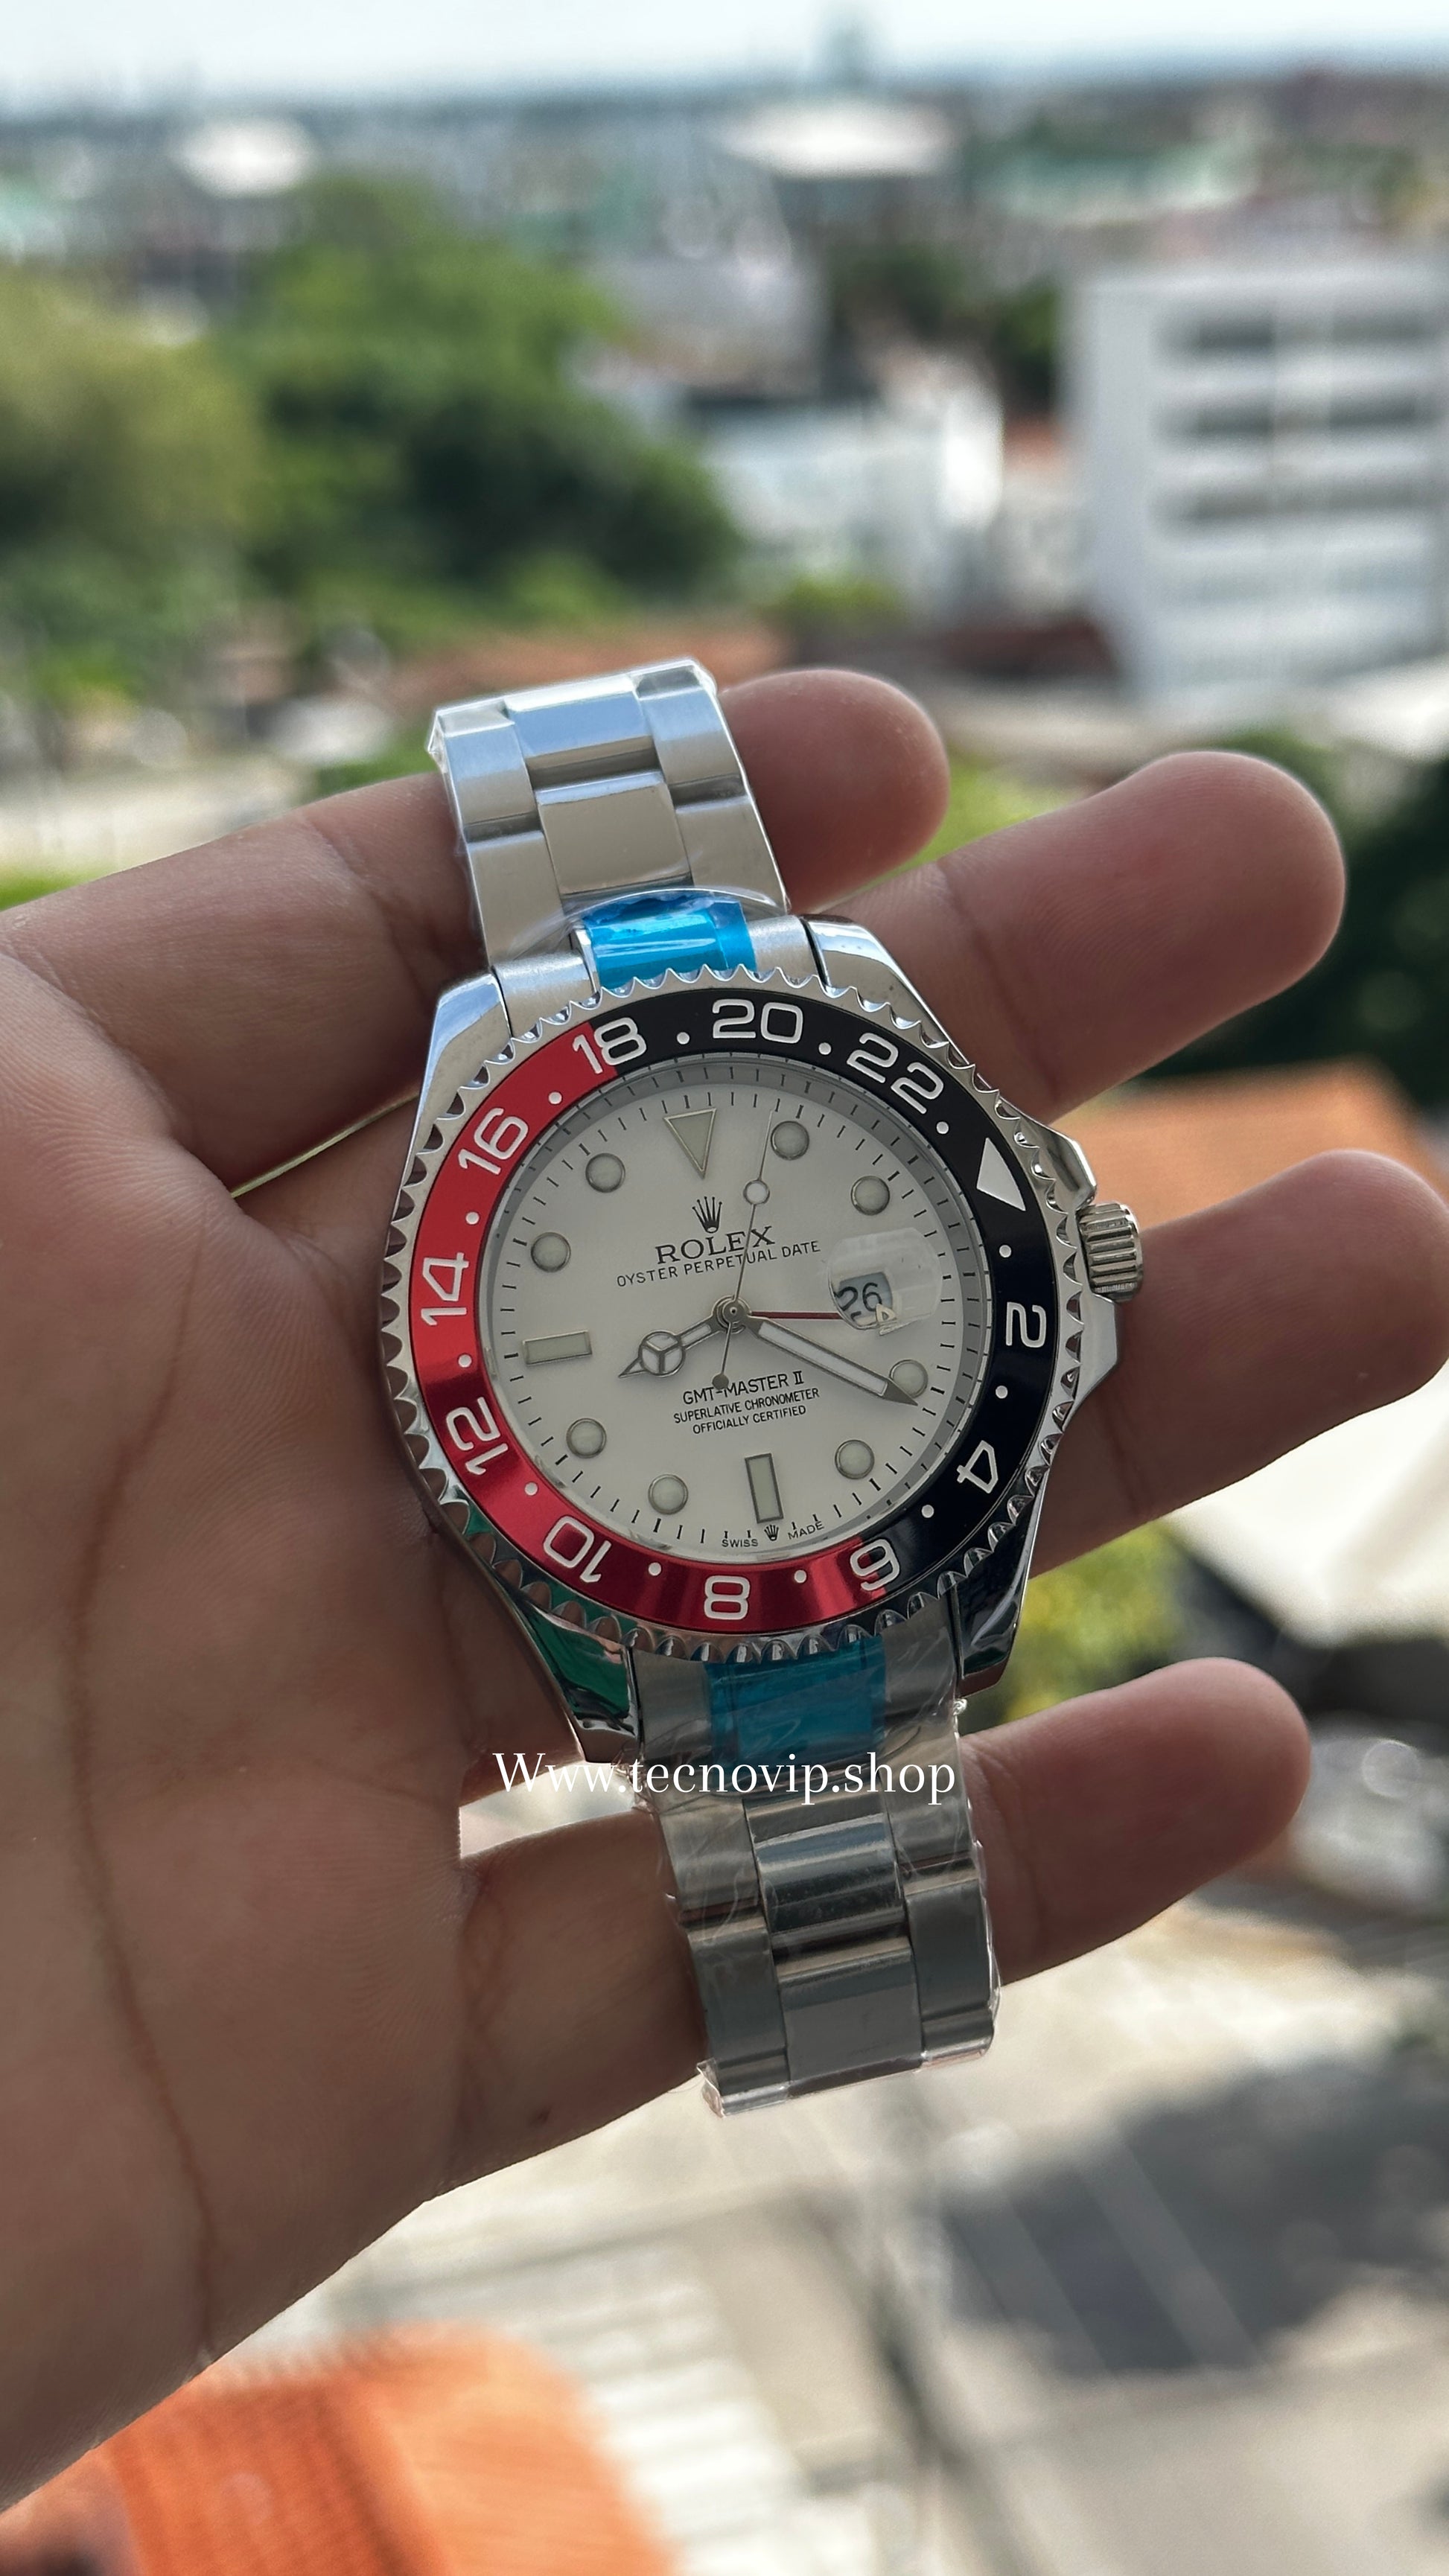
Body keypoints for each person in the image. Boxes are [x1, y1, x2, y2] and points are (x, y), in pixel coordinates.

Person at [1, 668, 1445, 2502]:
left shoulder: (924, 1220)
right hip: (703, 1600)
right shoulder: (493, 1204)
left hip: (828, 1561)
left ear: (1063, 1268)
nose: (736, 1313)